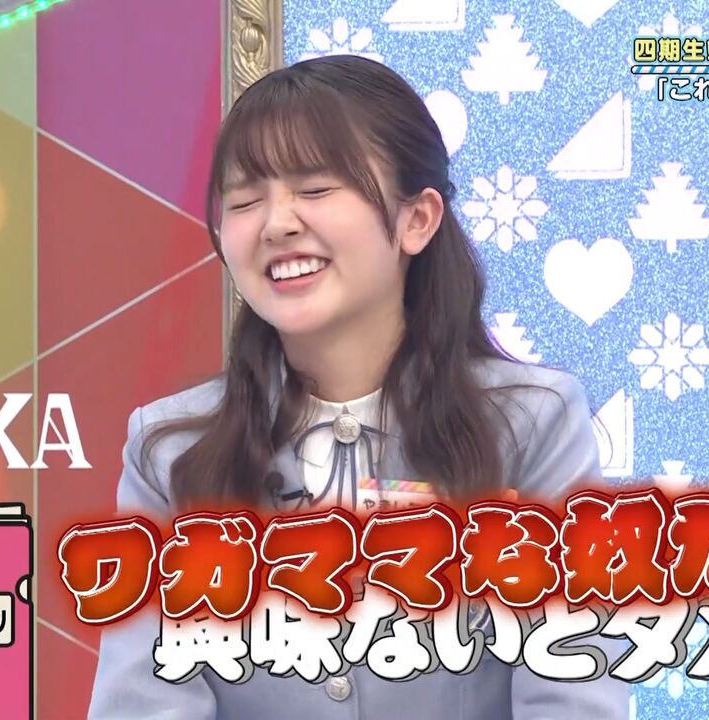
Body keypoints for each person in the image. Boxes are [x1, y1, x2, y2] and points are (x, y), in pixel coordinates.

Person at [87, 54, 630, 720]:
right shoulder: (170, 450)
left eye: (316, 188)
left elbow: (573, 697)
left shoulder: (531, 426)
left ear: (417, 219)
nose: (277, 223)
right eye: (245, 200)